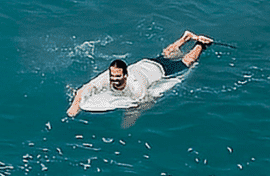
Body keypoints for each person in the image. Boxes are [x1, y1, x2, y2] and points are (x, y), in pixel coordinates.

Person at [67, 31, 214, 116]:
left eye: (117, 77)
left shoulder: (136, 86)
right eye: (112, 76)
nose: (114, 79)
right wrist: (74, 107)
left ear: (125, 75)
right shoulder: (106, 77)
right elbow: (83, 90)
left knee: (187, 62)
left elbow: (144, 102)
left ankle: (201, 44)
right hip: (147, 63)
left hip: (162, 71)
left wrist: (131, 116)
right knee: (166, 55)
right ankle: (184, 38)